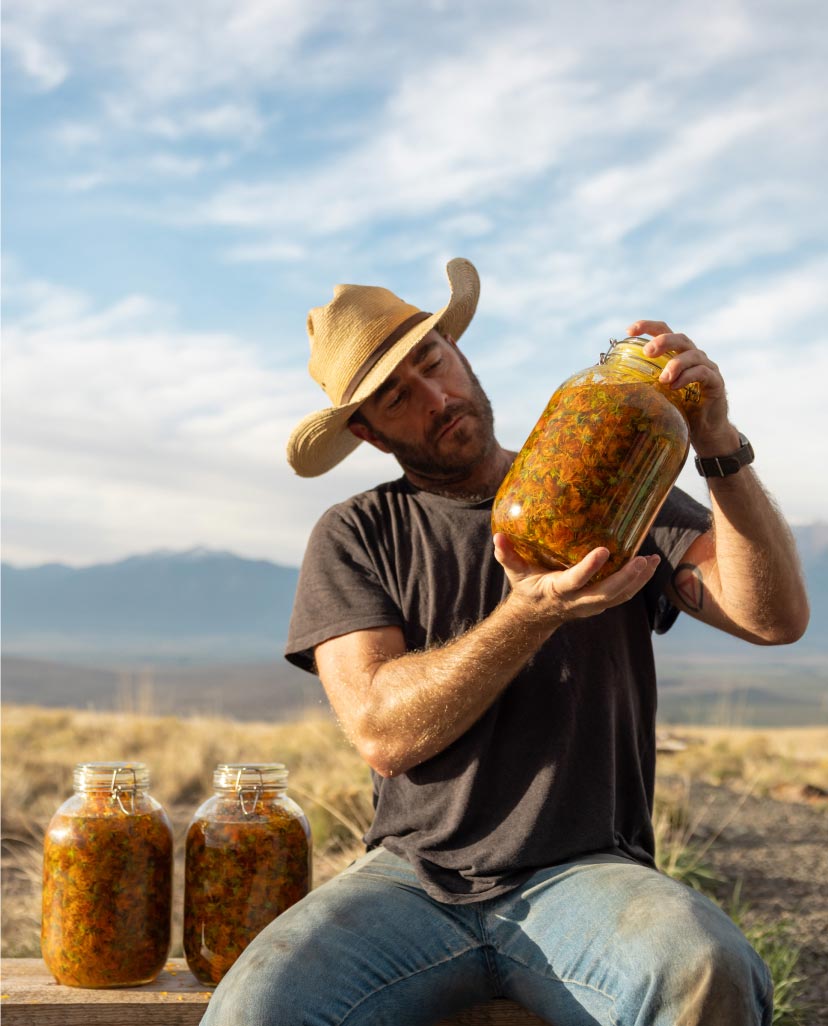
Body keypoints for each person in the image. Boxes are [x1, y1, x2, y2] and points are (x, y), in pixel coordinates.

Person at [202, 258, 809, 1026]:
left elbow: (772, 618)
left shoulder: (615, 479)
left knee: (707, 969)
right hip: (409, 883)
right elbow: (382, 732)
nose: (436, 397)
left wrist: (717, 442)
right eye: (397, 396)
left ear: (460, 352)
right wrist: (531, 613)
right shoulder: (357, 534)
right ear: (367, 431)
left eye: (433, 362)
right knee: (255, 1007)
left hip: (588, 874)